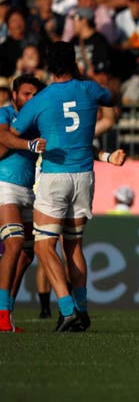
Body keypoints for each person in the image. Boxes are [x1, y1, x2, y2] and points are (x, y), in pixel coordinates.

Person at [11, 41, 118, 331]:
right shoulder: (88, 89)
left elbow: (14, 131)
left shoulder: (41, 98)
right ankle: (82, 310)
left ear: (48, 65)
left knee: (45, 246)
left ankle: (68, 309)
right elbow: (111, 95)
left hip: (55, 174)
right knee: (73, 245)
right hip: (85, 174)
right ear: (73, 63)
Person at [0, 75, 45, 331]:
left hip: (28, 190)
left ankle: (8, 311)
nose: (30, 99)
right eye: (25, 94)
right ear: (15, 95)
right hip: (4, 186)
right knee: (14, 244)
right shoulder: (4, 113)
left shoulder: (38, 121)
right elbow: (3, 138)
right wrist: (28, 144)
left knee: (28, 253)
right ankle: (2, 316)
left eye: (34, 95)